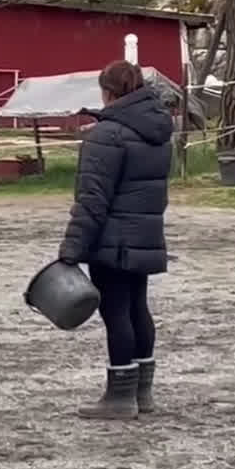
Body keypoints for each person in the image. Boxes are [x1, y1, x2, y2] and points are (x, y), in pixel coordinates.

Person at [57, 59, 173, 420]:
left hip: (113, 239)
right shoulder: (157, 131)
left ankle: (120, 397)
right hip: (145, 234)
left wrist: (71, 250)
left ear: (107, 91)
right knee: (138, 307)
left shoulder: (106, 135)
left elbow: (93, 199)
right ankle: (142, 392)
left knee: (115, 311)